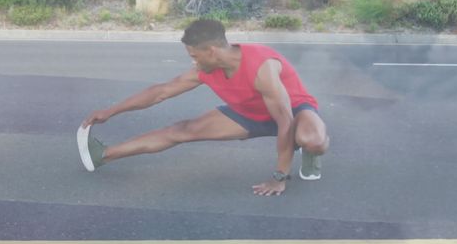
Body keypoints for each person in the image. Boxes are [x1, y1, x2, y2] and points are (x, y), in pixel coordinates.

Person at [78, 19, 329, 196]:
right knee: (181, 129)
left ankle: (308, 153)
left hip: (293, 110)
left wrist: (279, 177)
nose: (193, 62)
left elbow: (284, 120)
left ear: (212, 51)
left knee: (311, 139)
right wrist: (112, 111)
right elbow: (161, 92)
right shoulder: (206, 69)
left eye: (195, 56)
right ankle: (104, 155)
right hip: (249, 114)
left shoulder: (261, 67)